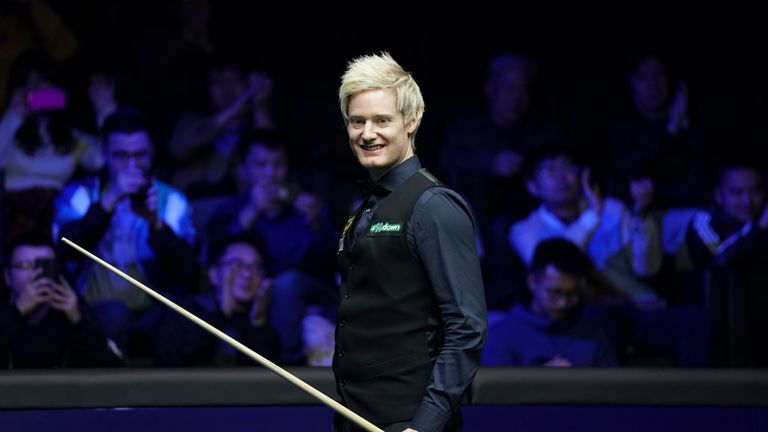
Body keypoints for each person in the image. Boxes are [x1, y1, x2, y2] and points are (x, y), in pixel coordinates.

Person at [333, 52, 487, 432]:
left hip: (410, 421)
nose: (367, 133)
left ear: (412, 120)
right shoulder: (367, 206)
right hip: (355, 416)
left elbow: (467, 327)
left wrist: (425, 425)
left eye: (382, 120)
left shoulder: (435, 206)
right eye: (357, 121)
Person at [53, 108, 197, 358]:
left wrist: (157, 225)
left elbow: (190, 276)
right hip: (92, 311)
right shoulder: (80, 196)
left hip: (151, 312)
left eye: (140, 155)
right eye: (120, 156)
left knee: (185, 314)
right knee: (115, 313)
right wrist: (109, 203)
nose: (131, 165)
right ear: (104, 155)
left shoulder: (172, 202)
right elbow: (66, 253)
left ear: (152, 154)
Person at [482, 238, 618, 367]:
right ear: (532, 282)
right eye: (555, 292)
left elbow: (611, 389)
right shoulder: (500, 336)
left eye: (571, 294)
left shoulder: (594, 333)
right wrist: (543, 381)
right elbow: (495, 391)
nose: (563, 303)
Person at [153, 235, 280, 366]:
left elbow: (265, 379)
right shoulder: (185, 311)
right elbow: (171, 361)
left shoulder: (265, 316)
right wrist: (221, 315)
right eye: (236, 265)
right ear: (213, 274)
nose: (247, 274)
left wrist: (258, 322)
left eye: (256, 267)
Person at [0, 233, 122, 368]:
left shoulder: (72, 313)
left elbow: (115, 368)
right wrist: (16, 312)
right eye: (25, 266)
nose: (35, 275)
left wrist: (79, 321)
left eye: (45, 266)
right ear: (7, 277)